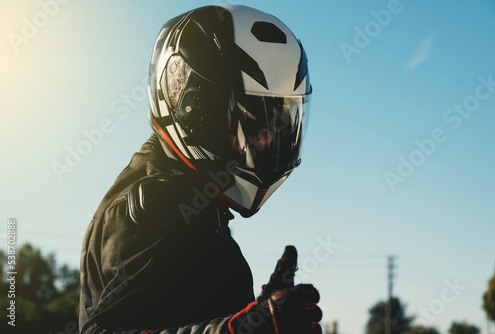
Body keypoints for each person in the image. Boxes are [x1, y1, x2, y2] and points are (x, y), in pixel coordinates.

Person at [79, 4, 321, 334]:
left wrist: (256, 310)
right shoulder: (154, 207)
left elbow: (181, 312)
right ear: (195, 109)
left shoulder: (195, 200)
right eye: (254, 121)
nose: (267, 141)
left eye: (279, 124)